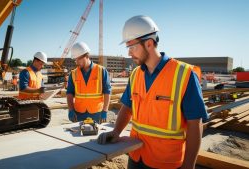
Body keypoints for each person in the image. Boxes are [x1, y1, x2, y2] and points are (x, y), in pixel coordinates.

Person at [97, 15, 209, 169]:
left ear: (149, 43)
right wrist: (116, 131)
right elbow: (127, 107)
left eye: (132, 47)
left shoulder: (184, 75)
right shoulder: (136, 74)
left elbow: (195, 124)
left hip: (167, 162)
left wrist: (189, 165)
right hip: (136, 156)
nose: (129, 53)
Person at [66, 42, 111, 124]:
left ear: (86, 56)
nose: (76, 62)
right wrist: (71, 110)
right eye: (75, 59)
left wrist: (105, 110)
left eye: (78, 59)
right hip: (78, 113)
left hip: (97, 113)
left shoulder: (101, 70)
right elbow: (69, 93)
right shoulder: (73, 73)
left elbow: (107, 92)